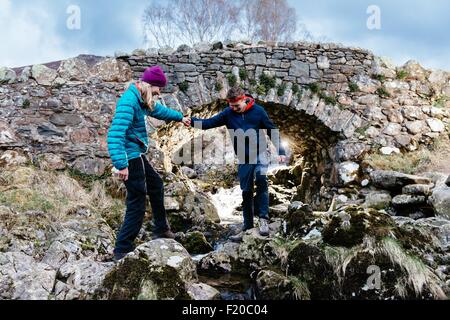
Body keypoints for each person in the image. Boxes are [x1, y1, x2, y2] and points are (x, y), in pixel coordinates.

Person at [107, 66, 191, 261]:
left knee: (156, 184)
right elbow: (115, 134)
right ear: (147, 85)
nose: (159, 93)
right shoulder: (128, 102)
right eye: (157, 89)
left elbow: (158, 110)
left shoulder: (141, 98)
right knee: (137, 201)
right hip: (129, 156)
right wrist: (121, 164)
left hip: (135, 152)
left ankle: (161, 229)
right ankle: (122, 249)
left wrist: (180, 118)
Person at [189, 86, 287, 241]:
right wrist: (191, 121)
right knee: (246, 191)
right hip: (244, 157)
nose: (234, 109)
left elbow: (271, 130)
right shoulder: (228, 113)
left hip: (261, 152)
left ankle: (263, 220)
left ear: (244, 99)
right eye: (231, 106)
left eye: (237, 106)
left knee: (261, 180)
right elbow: (208, 123)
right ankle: (247, 227)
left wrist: (281, 152)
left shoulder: (258, 111)